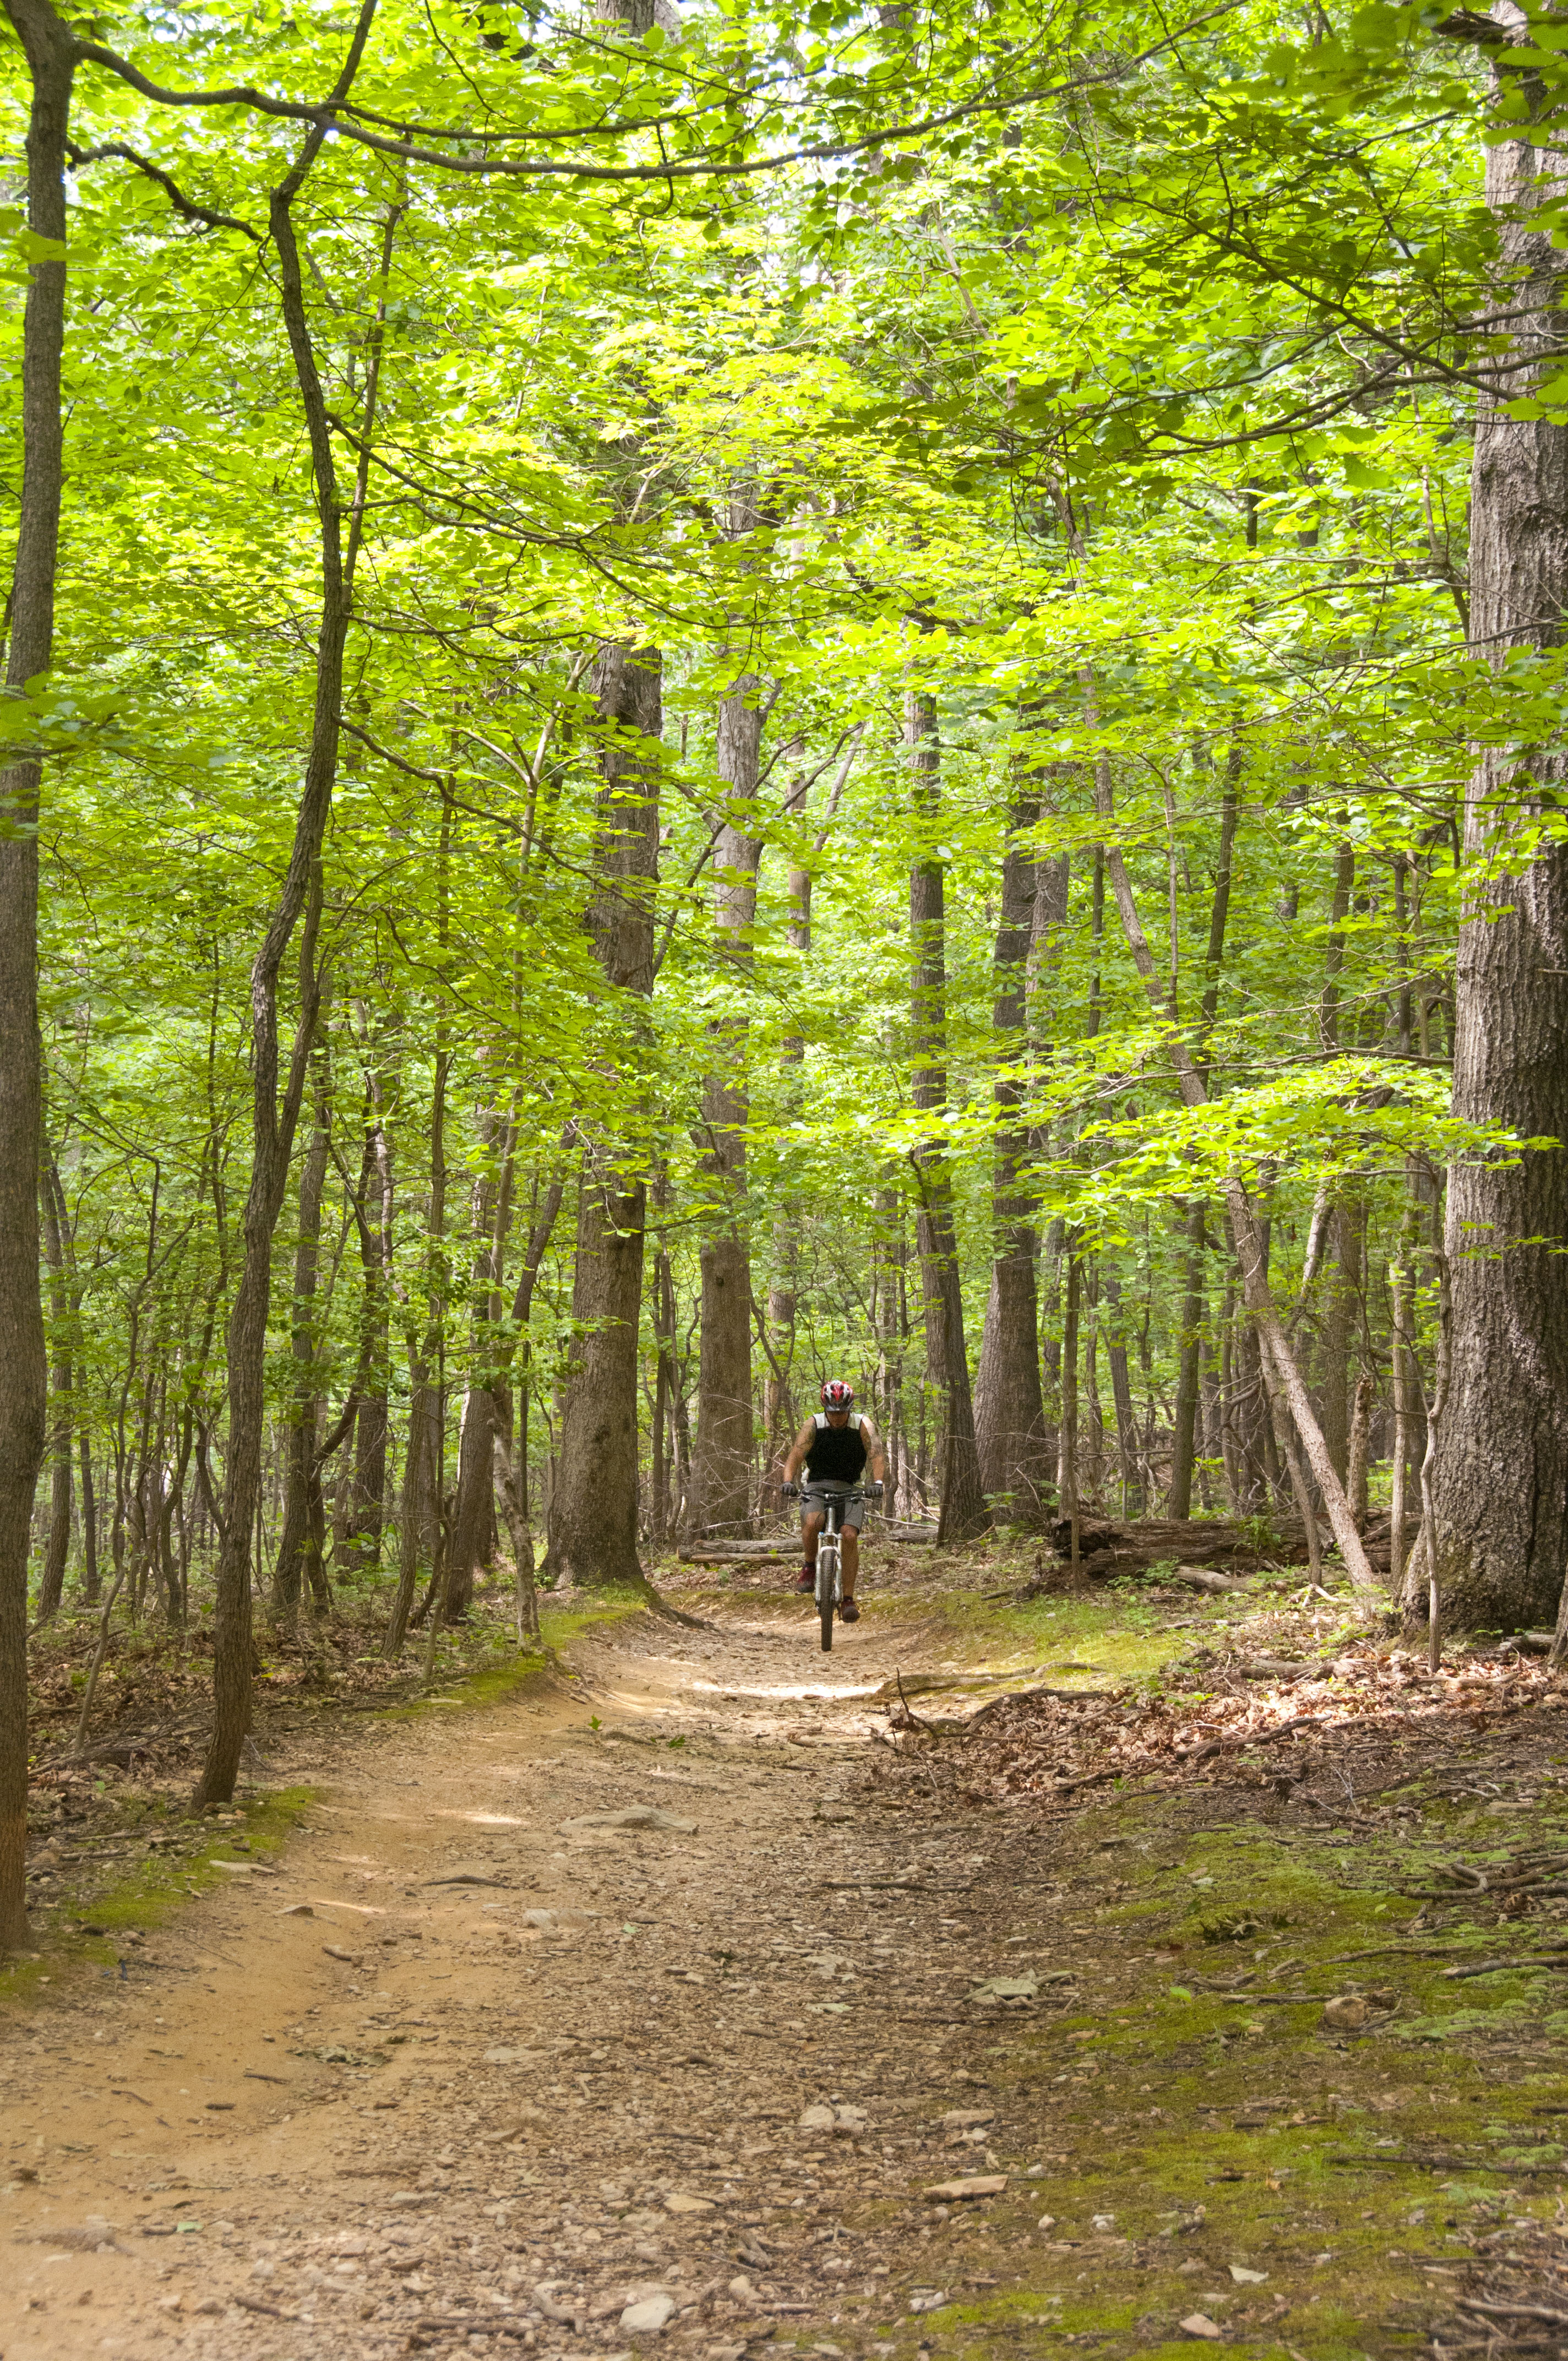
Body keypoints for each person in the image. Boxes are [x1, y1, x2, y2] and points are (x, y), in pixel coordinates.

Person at [781, 1379, 886, 1623]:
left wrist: (877, 1484)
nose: (837, 1417)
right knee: (813, 1520)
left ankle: (848, 1599)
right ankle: (809, 1566)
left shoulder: (862, 1424)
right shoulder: (813, 1425)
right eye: (833, 1413)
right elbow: (795, 1456)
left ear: (849, 1409)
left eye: (842, 1412)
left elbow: (876, 1454)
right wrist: (788, 1481)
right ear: (825, 1409)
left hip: (850, 1488)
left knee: (849, 1535)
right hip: (817, 1485)